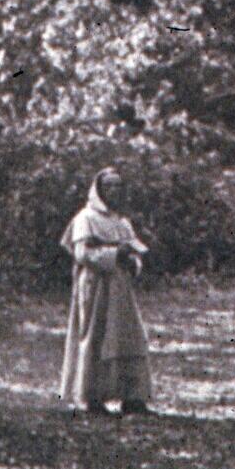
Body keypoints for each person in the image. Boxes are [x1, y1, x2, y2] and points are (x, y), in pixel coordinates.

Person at [60, 168, 152, 416]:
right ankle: (92, 397)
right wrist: (113, 254)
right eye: (109, 186)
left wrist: (134, 262)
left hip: (120, 286)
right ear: (99, 189)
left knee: (127, 335)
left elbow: (133, 252)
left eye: (118, 186)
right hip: (95, 284)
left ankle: (132, 397)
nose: (114, 191)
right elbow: (82, 254)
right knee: (96, 335)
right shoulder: (85, 218)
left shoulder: (122, 222)